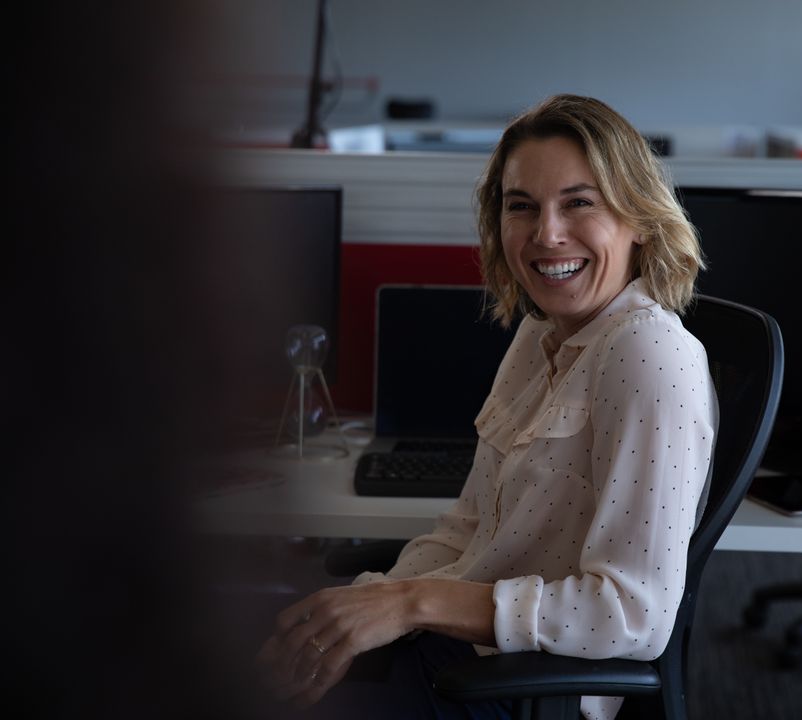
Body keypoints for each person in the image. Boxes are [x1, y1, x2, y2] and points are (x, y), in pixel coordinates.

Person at [256, 94, 717, 720]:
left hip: (516, 689)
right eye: (520, 206)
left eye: (579, 202)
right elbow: (469, 528)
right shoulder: (542, 331)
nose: (546, 233)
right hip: (451, 648)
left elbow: (633, 616)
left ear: (638, 217)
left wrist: (410, 605)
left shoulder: (650, 356)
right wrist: (368, 606)